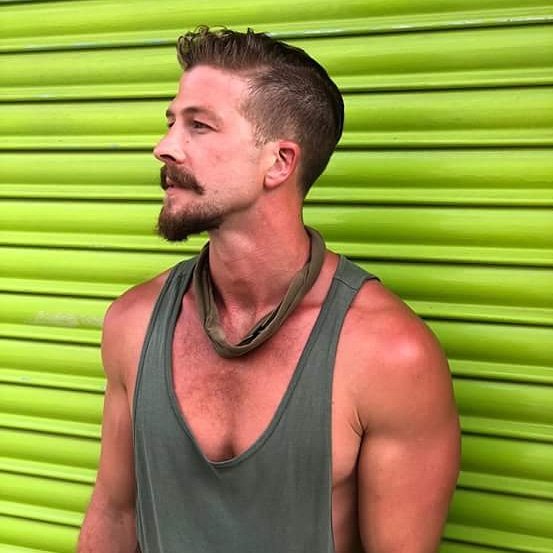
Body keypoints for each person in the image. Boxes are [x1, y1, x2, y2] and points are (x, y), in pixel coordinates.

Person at [77, 26, 460, 553]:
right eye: (171, 123)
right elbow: (115, 514)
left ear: (279, 162)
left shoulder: (389, 355)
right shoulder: (134, 322)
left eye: (199, 126)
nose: (164, 148)